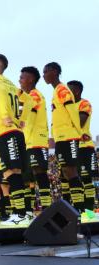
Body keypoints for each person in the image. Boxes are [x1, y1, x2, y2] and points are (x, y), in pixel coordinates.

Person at [0, 53, 28, 225]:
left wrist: (4, 115)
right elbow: (28, 99)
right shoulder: (10, 82)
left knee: (11, 174)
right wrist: (21, 118)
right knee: (14, 174)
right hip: (16, 131)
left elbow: (1, 93)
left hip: (5, 132)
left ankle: (21, 214)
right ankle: (21, 214)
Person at [43, 62, 86, 212]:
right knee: (65, 173)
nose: (43, 75)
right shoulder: (56, 91)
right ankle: (71, 209)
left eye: (46, 72)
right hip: (60, 138)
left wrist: (78, 133)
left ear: (54, 72)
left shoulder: (62, 90)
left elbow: (73, 112)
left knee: (71, 172)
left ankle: (81, 209)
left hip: (69, 137)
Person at [19, 66, 51, 213]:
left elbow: (28, 121)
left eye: (22, 77)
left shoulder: (34, 95)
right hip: (29, 142)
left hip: (36, 141)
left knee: (39, 173)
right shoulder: (29, 96)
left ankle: (46, 209)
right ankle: (28, 211)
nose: (20, 80)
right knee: (27, 178)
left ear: (31, 79)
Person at [68, 80, 97, 215]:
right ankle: (78, 209)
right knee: (75, 178)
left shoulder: (84, 104)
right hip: (72, 145)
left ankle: (89, 210)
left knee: (86, 178)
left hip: (85, 147)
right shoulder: (68, 106)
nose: (67, 93)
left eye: (70, 90)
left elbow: (79, 122)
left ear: (77, 91)